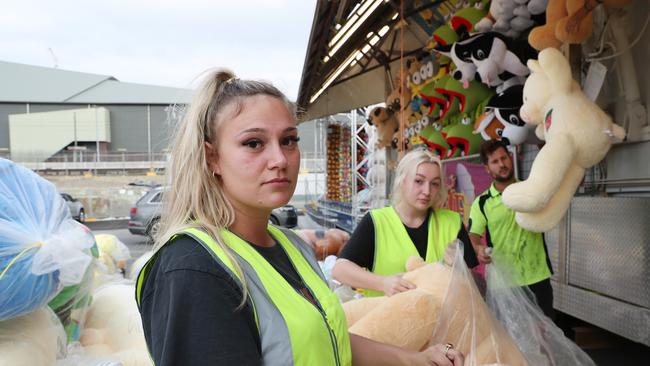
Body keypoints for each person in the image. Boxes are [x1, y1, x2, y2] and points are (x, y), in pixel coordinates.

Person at [135, 69, 464, 366]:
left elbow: (325, 338)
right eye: (254, 143)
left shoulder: (294, 247)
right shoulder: (195, 268)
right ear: (213, 158)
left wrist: (416, 359)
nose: (280, 158)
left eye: (289, 140)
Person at [332, 148, 479, 297]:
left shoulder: (452, 222)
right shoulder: (376, 222)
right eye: (418, 181)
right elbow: (340, 270)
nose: (427, 191)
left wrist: (460, 272)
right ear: (402, 181)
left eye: (434, 184)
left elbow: (475, 284)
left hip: (445, 319)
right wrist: (383, 283)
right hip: (389, 318)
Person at [468, 140, 555, 319]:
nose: (502, 164)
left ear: (510, 157)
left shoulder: (531, 191)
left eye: (504, 158)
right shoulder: (482, 202)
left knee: (544, 336)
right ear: (487, 168)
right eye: (495, 161)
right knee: (510, 337)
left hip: (537, 276)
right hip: (504, 284)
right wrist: (479, 250)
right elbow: (473, 236)